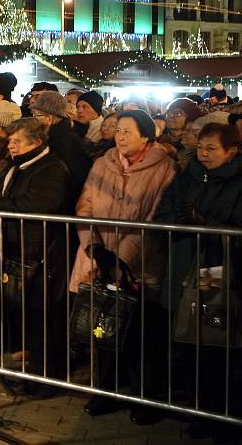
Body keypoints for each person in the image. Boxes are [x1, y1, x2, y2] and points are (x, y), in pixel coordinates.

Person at [72, 110, 176, 422]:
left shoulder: (165, 168)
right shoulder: (101, 163)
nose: (120, 136)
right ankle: (106, 392)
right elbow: (85, 206)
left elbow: (152, 219)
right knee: (103, 328)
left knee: (142, 333)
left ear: (147, 135)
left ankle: (146, 397)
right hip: (99, 259)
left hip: (140, 264)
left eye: (128, 131)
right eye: (118, 130)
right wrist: (93, 247)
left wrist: (121, 259)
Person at [155, 123, 242, 441]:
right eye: (201, 147)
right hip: (183, 266)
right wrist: (179, 224)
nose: (203, 154)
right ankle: (200, 411)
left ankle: (224, 415)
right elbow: (163, 213)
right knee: (189, 343)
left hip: (218, 272)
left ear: (232, 150)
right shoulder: (187, 176)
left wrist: (207, 224)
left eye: (212, 149)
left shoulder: (237, 182)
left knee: (218, 346)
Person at [0, 118, 71, 387]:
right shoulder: (17, 167)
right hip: (18, 249)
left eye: (16, 141)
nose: (10, 146)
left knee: (43, 316)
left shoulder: (51, 169)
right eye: (9, 140)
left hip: (42, 251)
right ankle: (31, 366)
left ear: (36, 143)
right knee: (26, 313)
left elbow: (36, 204)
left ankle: (47, 376)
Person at [30, 91, 92, 206]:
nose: (34, 119)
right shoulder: (51, 138)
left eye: (37, 115)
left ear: (49, 118)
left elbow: (75, 179)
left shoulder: (66, 143)